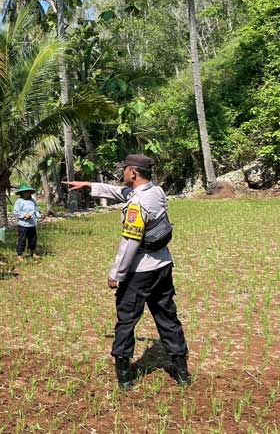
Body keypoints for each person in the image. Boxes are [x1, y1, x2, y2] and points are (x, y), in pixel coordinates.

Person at [64, 154, 190, 390]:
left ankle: (124, 374)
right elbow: (123, 193)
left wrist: (116, 274)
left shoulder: (137, 205)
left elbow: (130, 243)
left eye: (124, 170)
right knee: (167, 316)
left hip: (139, 272)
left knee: (127, 320)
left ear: (133, 173)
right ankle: (182, 370)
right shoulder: (156, 192)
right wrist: (91, 186)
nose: (122, 173)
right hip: (163, 266)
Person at [13, 184, 40, 262]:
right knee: (22, 239)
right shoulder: (19, 201)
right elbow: (15, 212)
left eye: (28, 192)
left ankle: (33, 252)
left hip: (32, 224)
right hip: (23, 224)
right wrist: (24, 216)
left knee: (33, 239)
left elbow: (36, 209)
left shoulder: (32, 201)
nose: (27, 193)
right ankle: (19, 254)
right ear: (22, 193)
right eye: (25, 192)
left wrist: (38, 216)